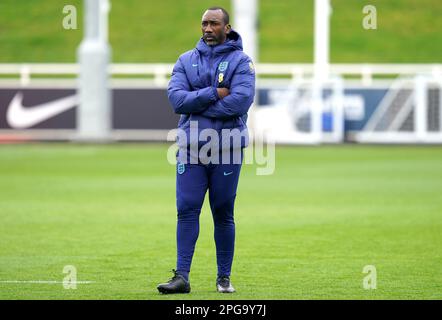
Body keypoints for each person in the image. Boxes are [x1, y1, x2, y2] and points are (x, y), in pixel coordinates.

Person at [157, 6, 255, 294]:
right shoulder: (186, 60)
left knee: (223, 212)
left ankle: (223, 277)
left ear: (227, 27)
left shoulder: (242, 62)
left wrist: (196, 105)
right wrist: (213, 93)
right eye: (204, 24)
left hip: (227, 149)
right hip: (191, 150)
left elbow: (239, 102)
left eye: (214, 24)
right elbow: (176, 100)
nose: (208, 29)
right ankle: (181, 277)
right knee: (186, 209)